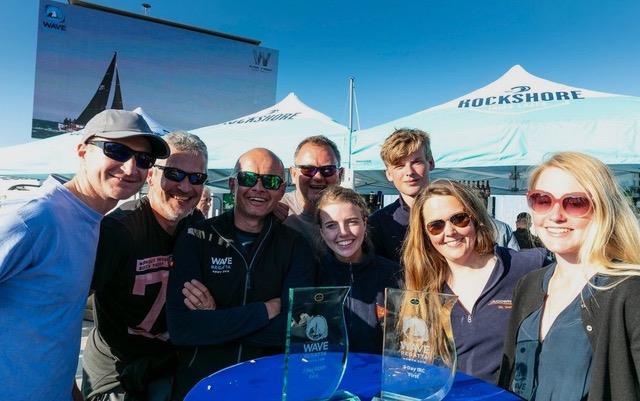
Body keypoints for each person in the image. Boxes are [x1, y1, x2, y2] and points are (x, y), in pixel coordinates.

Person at [0, 109, 169, 401]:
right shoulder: (35, 218)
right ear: (82, 151)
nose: (131, 169)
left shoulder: (94, 224)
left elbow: (53, 326)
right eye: (117, 150)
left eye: (143, 160)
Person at [166, 147, 316, 400]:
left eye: (270, 181)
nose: (258, 188)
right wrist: (264, 311)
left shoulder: (295, 245)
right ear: (233, 184)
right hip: (202, 384)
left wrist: (216, 318)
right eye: (249, 179)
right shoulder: (197, 237)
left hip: (268, 385)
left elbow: (295, 330)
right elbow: (182, 328)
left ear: (281, 190)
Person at [498, 152, 640, 401]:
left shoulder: (630, 292)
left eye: (575, 202)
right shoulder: (529, 284)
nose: (555, 215)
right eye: (542, 200)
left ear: (603, 209)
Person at [81, 131, 208, 401]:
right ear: (150, 175)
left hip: (168, 363)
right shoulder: (118, 231)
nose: (185, 187)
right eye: (173, 174)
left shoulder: (197, 227)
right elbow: (65, 308)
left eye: (196, 178)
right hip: (116, 369)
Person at [402, 180, 547, 383]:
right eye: (436, 226)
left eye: (459, 219)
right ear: (425, 235)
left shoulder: (528, 266)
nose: (450, 231)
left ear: (475, 218)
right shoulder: (422, 286)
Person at [315, 185, 400, 354]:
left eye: (352, 222)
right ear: (322, 232)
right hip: (329, 374)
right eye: (332, 225)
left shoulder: (393, 274)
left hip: (378, 375)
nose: (343, 232)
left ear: (365, 223)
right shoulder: (312, 274)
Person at [368, 128, 435, 261]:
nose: (409, 172)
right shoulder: (377, 224)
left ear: (431, 163)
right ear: (388, 174)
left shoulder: (455, 213)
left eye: (416, 162)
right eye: (399, 166)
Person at [279, 135, 343, 245]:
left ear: (340, 175)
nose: (318, 177)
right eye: (308, 170)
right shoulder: (275, 211)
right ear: (293, 174)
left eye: (328, 170)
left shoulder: (352, 214)